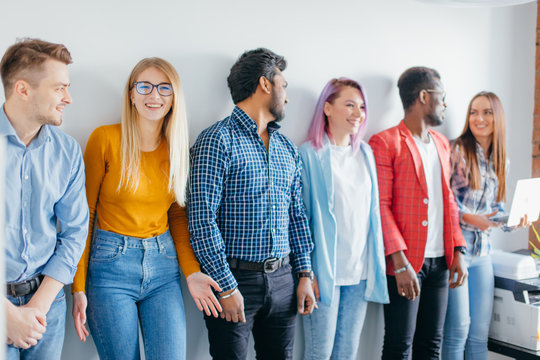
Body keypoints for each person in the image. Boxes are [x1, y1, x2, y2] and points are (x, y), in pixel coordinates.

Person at [71, 57, 222, 360]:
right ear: (131, 94)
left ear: (174, 97)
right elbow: (83, 217)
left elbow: (177, 217)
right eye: (145, 86)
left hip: (164, 269)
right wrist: (78, 288)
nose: (154, 96)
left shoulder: (178, 148)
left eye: (164, 88)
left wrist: (192, 273)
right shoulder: (105, 139)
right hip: (110, 268)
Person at [188, 48, 316, 360]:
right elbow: (202, 220)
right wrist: (228, 287)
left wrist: (304, 275)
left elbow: (296, 216)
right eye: (283, 85)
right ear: (265, 84)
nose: (286, 97)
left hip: (284, 278)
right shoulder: (216, 140)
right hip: (233, 278)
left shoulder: (288, 148)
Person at [368, 66, 468, 360]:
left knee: (431, 344)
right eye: (443, 96)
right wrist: (399, 263)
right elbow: (380, 207)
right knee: (399, 345)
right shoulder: (385, 142)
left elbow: (448, 200)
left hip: (440, 262)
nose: (446, 104)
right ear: (424, 96)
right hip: (405, 263)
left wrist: (459, 249)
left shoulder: (440, 144)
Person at [1, 38, 89, 359]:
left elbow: (74, 233)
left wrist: (37, 307)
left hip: (47, 305)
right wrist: (7, 316)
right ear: (23, 89)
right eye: (59, 88)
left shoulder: (67, 152)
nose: (68, 98)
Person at [299, 77, 389, 360]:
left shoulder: (365, 153)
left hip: (359, 273)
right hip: (325, 272)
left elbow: (371, 213)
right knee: (319, 353)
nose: (358, 113)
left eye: (361, 106)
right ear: (327, 108)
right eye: (349, 105)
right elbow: (301, 217)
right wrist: (307, 272)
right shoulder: (310, 154)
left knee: (348, 353)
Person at [442, 91, 529, 360]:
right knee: (458, 331)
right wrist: (470, 218)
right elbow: (445, 202)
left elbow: (496, 208)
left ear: (497, 118)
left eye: (486, 112)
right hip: (458, 252)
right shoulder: (456, 150)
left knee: (479, 334)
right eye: (473, 112)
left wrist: (511, 220)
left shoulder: (501, 159)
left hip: (483, 254)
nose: (479, 118)